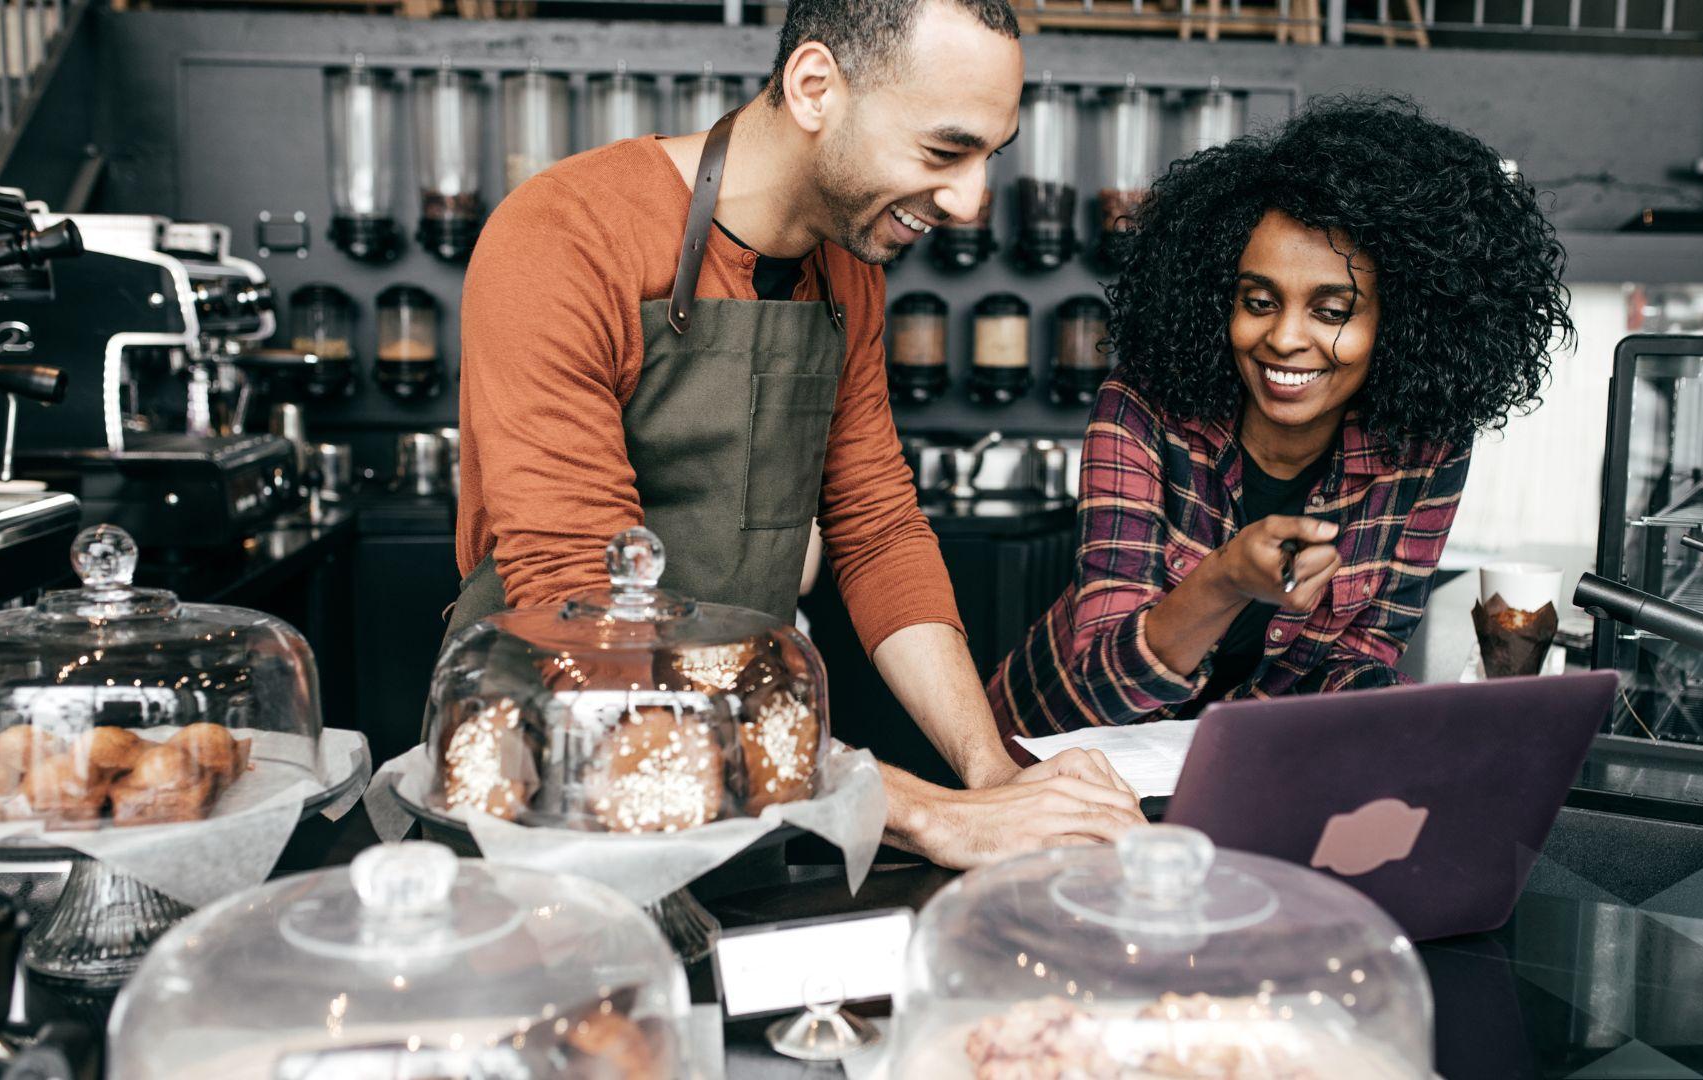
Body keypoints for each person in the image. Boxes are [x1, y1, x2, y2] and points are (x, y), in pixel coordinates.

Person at [454, 0, 1140, 866]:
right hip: (547, 792)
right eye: (944, 150)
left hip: (748, 786)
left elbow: (877, 528)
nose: (971, 201)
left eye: (989, 158)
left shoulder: (846, 267)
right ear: (815, 87)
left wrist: (989, 773)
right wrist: (927, 813)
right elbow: (586, 611)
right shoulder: (564, 237)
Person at [990, 95, 1573, 741]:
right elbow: (1103, 683)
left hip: (1236, 765)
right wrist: (1228, 580)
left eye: (1332, 311)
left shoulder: (1424, 446)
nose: (1285, 338)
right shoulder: (1143, 408)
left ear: (1403, 323)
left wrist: (1434, 723)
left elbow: (1361, 656)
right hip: (1052, 754)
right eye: (1259, 301)